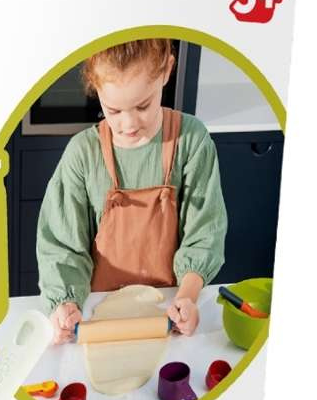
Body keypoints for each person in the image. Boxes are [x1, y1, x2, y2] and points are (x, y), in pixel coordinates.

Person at [35, 38, 228, 343]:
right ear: (95, 89)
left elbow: (205, 233)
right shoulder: (83, 153)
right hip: (97, 313)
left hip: (169, 308)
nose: (128, 124)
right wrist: (65, 304)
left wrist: (187, 298)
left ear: (166, 70)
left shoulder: (191, 140)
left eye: (143, 105)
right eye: (113, 110)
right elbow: (61, 246)